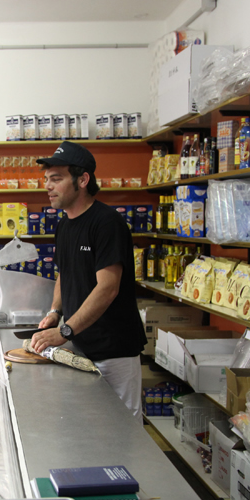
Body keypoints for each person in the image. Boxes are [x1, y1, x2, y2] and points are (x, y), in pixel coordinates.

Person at [30, 141, 147, 421]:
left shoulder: (107, 223)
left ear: (82, 180)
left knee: (123, 432)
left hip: (113, 352)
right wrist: (55, 311)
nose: (48, 186)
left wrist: (65, 331)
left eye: (56, 179)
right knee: (89, 430)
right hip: (81, 347)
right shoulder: (64, 224)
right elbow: (65, 273)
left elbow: (108, 288)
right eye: (46, 179)